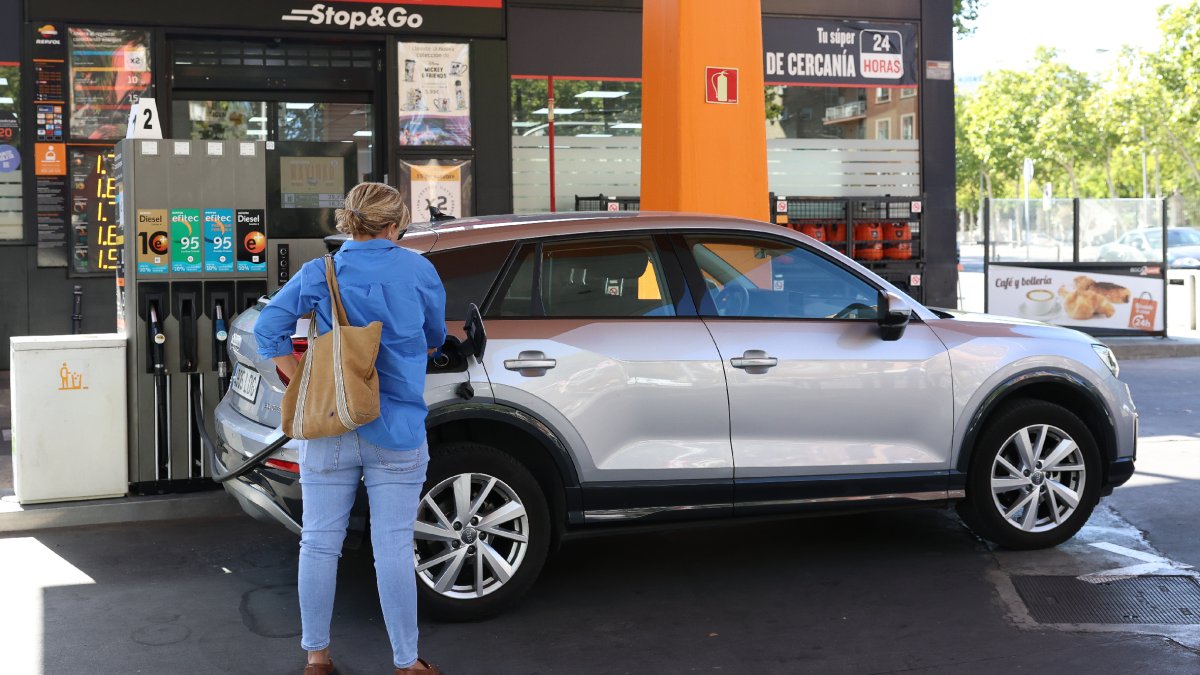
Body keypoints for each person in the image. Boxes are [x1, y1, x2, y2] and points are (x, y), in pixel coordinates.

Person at [254, 182, 446, 675]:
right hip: (397, 426)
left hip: (332, 422)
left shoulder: (322, 271)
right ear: (393, 223)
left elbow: (267, 328)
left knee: (318, 542)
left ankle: (317, 658)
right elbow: (434, 338)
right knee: (394, 548)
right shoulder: (419, 269)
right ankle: (407, 663)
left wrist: (301, 378)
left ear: (350, 221)